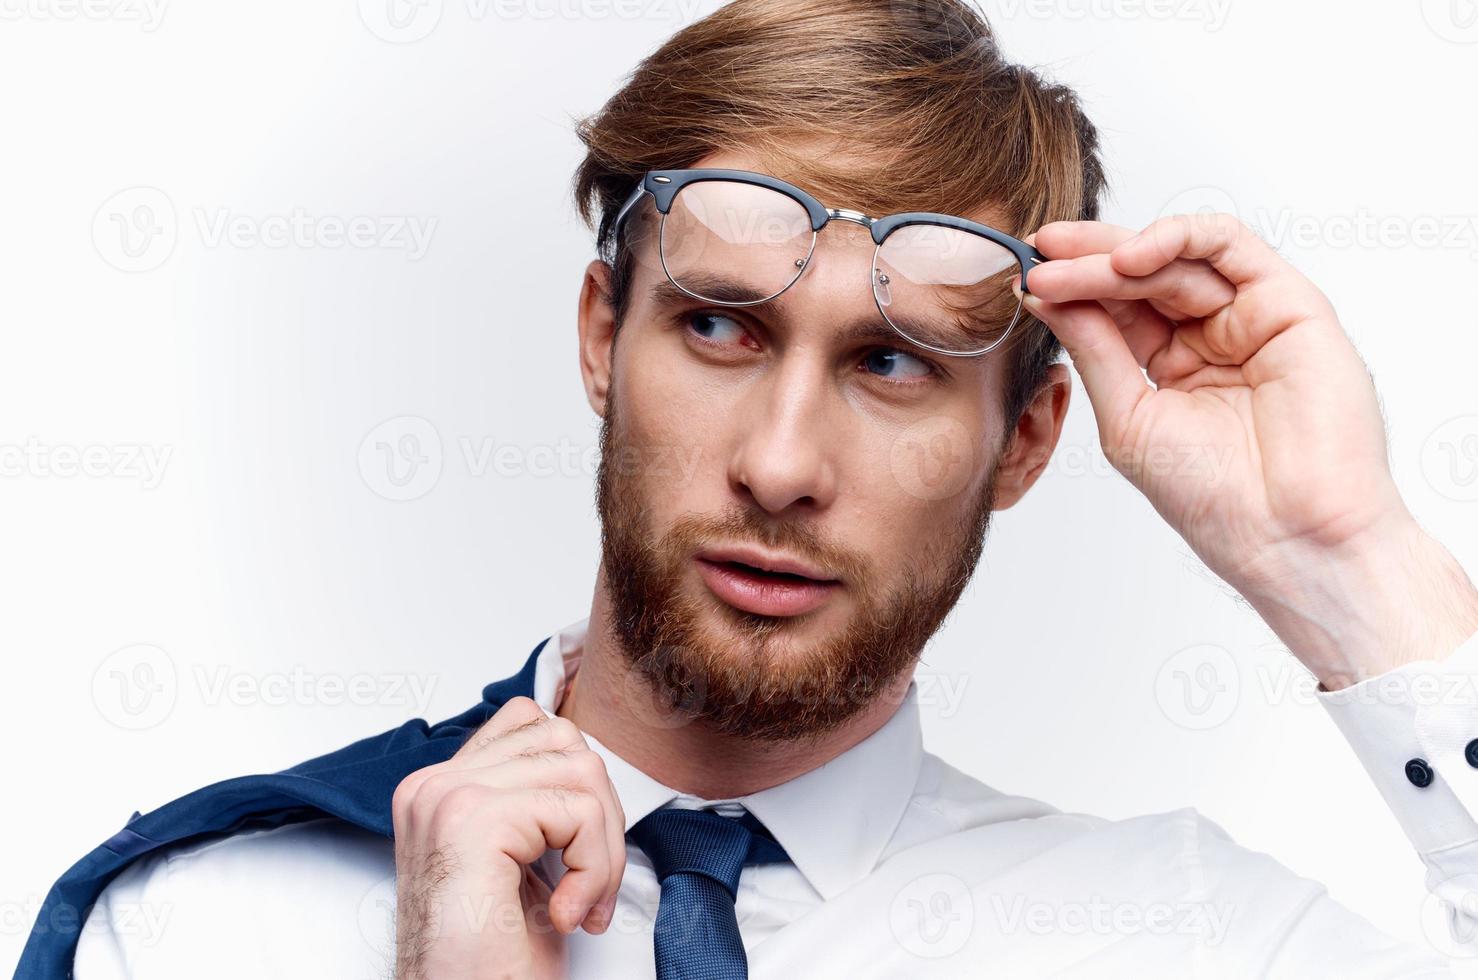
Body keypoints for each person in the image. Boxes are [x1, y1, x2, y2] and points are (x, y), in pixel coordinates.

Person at [19, 0, 1478, 977]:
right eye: (718, 327)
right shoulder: (192, 927)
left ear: (1028, 439)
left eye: (896, 362)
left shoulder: (1199, 943)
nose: (779, 466)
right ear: (603, 335)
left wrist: (1341, 559)